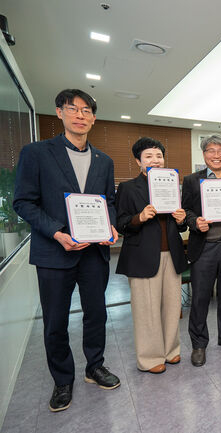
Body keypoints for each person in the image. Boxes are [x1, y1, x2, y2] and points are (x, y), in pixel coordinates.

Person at [13, 89, 120, 412]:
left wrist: (111, 225)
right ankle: (62, 380)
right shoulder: (37, 153)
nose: (80, 115)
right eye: (73, 108)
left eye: (86, 110)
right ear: (59, 112)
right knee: (56, 321)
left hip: (94, 254)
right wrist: (57, 233)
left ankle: (94, 366)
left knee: (96, 314)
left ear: (94, 118)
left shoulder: (104, 160)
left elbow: (108, 202)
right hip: (54, 252)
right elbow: (23, 202)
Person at [115, 137, 188, 374]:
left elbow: (179, 227)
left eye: (159, 156)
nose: (155, 160)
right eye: (148, 156)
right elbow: (120, 223)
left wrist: (181, 220)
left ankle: (171, 350)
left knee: (171, 306)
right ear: (138, 161)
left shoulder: (172, 185)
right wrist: (139, 217)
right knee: (146, 309)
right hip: (143, 256)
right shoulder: (128, 188)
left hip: (172, 254)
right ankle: (149, 357)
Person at [182, 135, 221, 367]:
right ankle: (199, 343)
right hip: (204, 248)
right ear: (204, 154)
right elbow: (186, 211)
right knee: (200, 297)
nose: (216, 155)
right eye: (211, 150)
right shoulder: (192, 180)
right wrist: (194, 222)